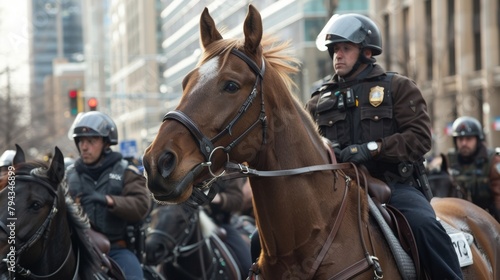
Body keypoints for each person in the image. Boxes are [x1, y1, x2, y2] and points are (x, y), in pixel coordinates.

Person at [305, 13, 463, 279]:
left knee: (425, 227)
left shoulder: (397, 87)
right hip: (335, 189)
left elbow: (420, 138)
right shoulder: (318, 100)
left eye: (345, 48)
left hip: (395, 187)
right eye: (334, 50)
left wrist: (373, 148)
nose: (337, 56)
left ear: (366, 52)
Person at [65, 111, 151, 280]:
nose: (84, 146)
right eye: (81, 140)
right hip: (76, 250)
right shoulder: (68, 175)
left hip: (115, 249)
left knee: (134, 277)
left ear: (105, 143)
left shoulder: (126, 171)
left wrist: (109, 201)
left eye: (91, 140)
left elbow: (142, 205)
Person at [447, 116, 500, 221]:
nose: (464, 143)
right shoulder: (448, 161)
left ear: (478, 140)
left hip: (487, 219)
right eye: (460, 139)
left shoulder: (493, 161)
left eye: (469, 139)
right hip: (455, 218)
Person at [207, 178, 252, 278]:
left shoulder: (230, 170)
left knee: (247, 266)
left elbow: (237, 201)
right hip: (184, 221)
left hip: (220, 223)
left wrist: (220, 198)